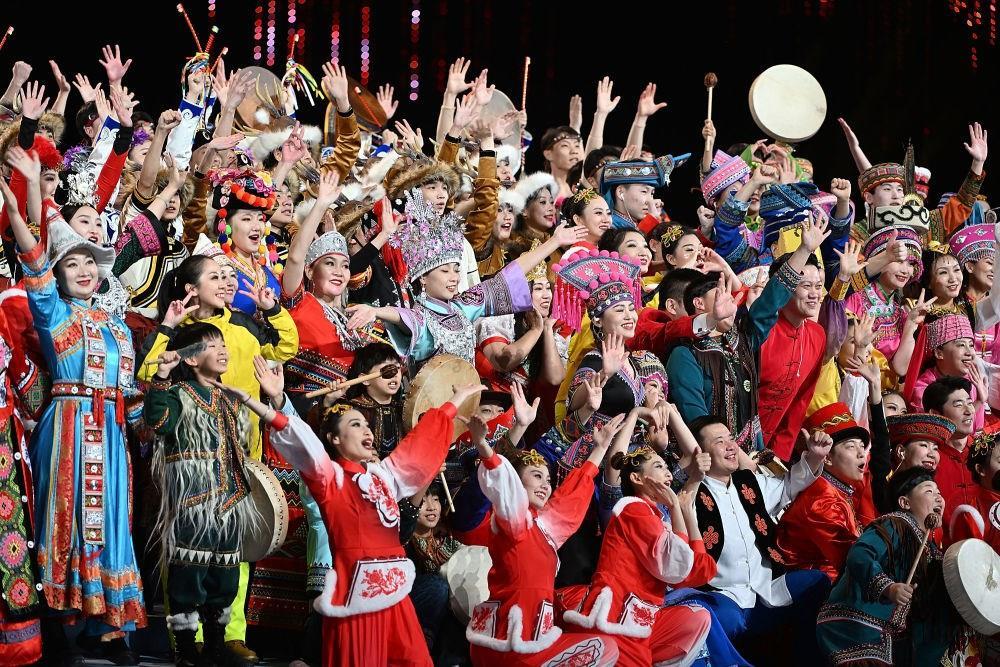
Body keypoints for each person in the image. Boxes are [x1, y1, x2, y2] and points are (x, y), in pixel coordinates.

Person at [3, 181, 145, 664]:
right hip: (68, 427)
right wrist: (17, 209)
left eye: (89, 263)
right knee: (65, 517)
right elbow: (33, 263)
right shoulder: (54, 313)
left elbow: (129, 391)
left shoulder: (117, 325)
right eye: (72, 264)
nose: (83, 271)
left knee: (111, 520)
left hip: (112, 431)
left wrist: (149, 416)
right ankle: (61, 623)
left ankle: (108, 627)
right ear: (58, 274)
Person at [269, 382, 485, 667]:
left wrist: (453, 403)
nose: (367, 431)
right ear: (334, 439)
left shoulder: (381, 479)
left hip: (393, 589)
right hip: (356, 590)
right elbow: (303, 443)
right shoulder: (329, 477)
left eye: (367, 426)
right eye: (356, 425)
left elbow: (417, 450)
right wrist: (273, 402)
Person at [145, 326, 286, 666]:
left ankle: (215, 644)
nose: (223, 350)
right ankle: (184, 647)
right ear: (191, 359)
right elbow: (159, 422)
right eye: (211, 346)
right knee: (188, 575)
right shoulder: (178, 393)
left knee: (224, 577)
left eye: (223, 344)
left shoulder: (230, 399)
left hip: (229, 502)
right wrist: (161, 378)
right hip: (193, 502)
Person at [463, 411, 625, 665]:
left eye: (548, 480)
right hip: (507, 641)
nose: (545, 486)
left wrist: (601, 448)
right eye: (537, 476)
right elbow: (504, 485)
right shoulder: (513, 521)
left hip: (535, 637)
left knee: (605, 648)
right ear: (518, 484)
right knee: (601, 650)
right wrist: (484, 446)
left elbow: (575, 488)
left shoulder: (548, 527)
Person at [671, 415, 833, 662]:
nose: (731, 446)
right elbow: (682, 513)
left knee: (816, 582)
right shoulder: (689, 495)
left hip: (767, 590)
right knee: (722, 618)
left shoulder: (749, 482)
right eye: (719, 442)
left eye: (731, 439)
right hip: (723, 595)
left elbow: (788, 486)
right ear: (700, 454)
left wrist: (814, 457)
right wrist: (693, 477)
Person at [561, 445, 714, 667]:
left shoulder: (655, 520)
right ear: (636, 478)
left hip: (640, 617)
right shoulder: (632, 508)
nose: (668, 473)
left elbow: (700, 570)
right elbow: (675, 564)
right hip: (614, 617)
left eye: (666, 467)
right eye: (658, 466)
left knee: (697, 618)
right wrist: (675, 508)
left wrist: (687, 514)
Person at [816, 467, 956, 667]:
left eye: (939, 493)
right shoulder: (894, 524)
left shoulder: (930, 550)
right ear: (904, 503)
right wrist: (888, 588)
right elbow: (860, 554)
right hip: (854, 624)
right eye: (929, 491)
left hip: (883, 635)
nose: (939, 498)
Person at [776, 403, 873, 582]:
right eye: (851, 446)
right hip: (812, 588)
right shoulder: (821, 500)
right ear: (827, 457)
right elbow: (851, 559)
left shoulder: (839, 489)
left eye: (862, 446)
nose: (862, 454)